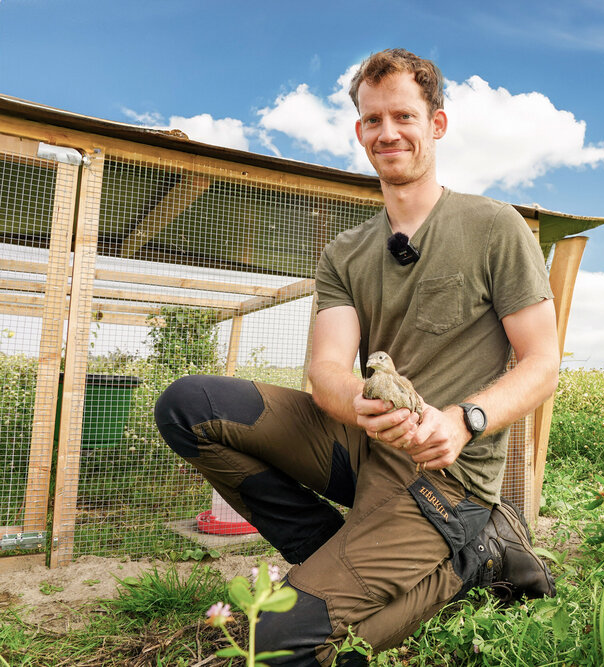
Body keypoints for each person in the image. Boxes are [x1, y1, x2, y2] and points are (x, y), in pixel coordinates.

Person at [154, 48, 560, 666]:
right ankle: (329, 552)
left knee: (274, 643)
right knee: (189, 406)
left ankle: (474, 560)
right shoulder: (346, 252)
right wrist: (357, 403)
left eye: (404, 116)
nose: (388, 132)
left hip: (442, 477)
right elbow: (326, 369)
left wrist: (463, 420)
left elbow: (542, 363)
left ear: (436, 124)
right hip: (362, 443)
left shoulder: (492, 226)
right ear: (359, 130)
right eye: (374, 120)